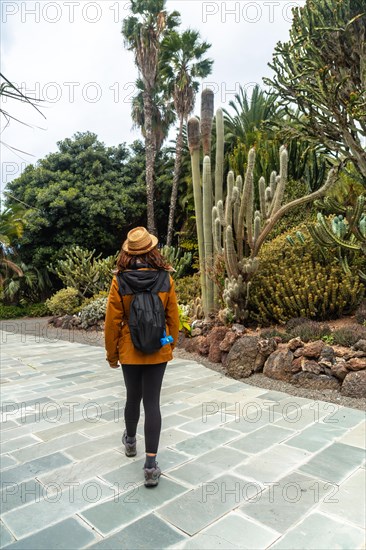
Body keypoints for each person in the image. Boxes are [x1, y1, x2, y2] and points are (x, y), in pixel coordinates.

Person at [104, 227, 180, 487]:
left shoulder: (120, 281)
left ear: (128, 252)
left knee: (132, 397)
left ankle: (130, 441)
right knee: (153, 404)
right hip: (158, 348)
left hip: (129, 349)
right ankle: (150, 465)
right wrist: (170, 343)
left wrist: (112, 354)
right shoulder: (165, 278)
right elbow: (173, 317)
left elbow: (112, 323)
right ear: (152, 250)